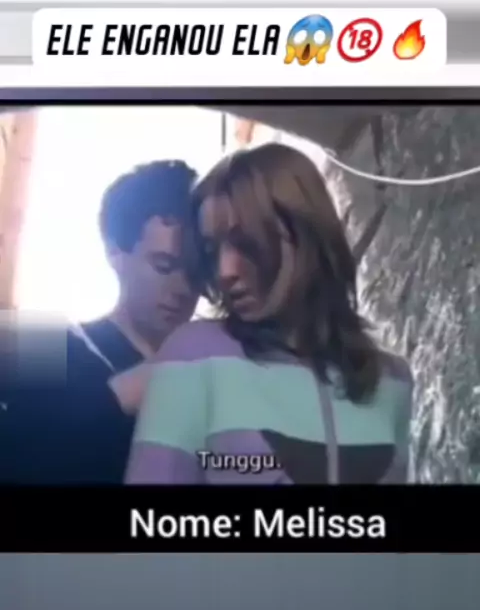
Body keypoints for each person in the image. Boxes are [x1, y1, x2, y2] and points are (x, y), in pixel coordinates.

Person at [126, 142, 414, 485]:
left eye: (245, 243)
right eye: (212, 250)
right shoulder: (194, 355)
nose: (225, 271)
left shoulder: (393, 380)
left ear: (304, 233)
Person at [1, 160, 199, 484]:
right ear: (114, 251)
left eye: (196, 271)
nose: (183, 288)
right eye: (164, 265)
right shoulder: (42, 343)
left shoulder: (213, 364)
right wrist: (124, 394)